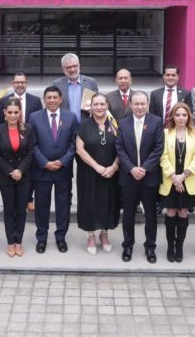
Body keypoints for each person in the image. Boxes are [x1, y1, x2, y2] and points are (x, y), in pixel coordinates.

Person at [116, 90, 164, 263]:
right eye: (136, 103)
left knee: (151, 215)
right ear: (130, 105)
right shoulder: (123, 123)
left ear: (148, 104)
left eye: (143, 103)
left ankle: (150, 247)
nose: (139, 107)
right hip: (129, 177)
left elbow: (159, 147)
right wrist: (131, 168)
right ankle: (128, 246)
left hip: (149, 177)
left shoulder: (156, 122)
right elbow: (119, 148)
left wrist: (143, 168)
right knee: (128, 214)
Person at [29, 85, 79, 254]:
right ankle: (42, 238)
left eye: (55, 97)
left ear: (60, 99)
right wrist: (44, 162)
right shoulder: (34, 117)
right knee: (41, 206)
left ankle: (61, 237)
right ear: (44, 99)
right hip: (42, 170)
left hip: (63, 170)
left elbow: (74, 143)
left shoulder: (71, 117)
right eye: (48, 97)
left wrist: (62, 161)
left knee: (63, 206)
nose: (52, 100)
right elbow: (32, 143)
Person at [75, 93, 120, 255]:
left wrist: (114, 166)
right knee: (90, 202)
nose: (99, 107)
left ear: (107, 106)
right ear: (91, 106)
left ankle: (104, 234)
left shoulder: (115, 124)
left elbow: (122, 148)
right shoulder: (84, 125)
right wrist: (97, 167)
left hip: (110, 173)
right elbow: (79, 149)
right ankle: (91, 235)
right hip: (89, 172)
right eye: (96, 104)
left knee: (108, 202)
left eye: (102, 104)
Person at [160, 102, 195, 263]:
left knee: (183, 213)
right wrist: (174, 177)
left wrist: (182, 177)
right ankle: (170, 246)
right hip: (170, 180)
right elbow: (162, 156)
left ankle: (179, 247)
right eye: (177, 115)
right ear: (173, 116)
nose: (181, 118)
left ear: (188, 116)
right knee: (171, 212)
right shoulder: (165, 133)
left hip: (188, 180)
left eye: (184, 115)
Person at [0, 98, 35, 257]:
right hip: (6, 177)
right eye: (9, 112)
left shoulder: (28, 129)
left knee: (21, 211)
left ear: (20, 113)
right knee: (9, 210)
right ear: (4, 113)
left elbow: (31, 152)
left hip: (24, 176)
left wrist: (20, 170)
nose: (13, 115)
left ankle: (19, 241)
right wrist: (11, 171)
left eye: (16, 112)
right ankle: (10, 241)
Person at [52, 53, 99, 123]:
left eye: (75, 66)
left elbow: (97, 103)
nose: (72, 70)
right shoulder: (57, 84)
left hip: (86, 124)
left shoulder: (91, 82)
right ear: (63, 69)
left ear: (79, 65)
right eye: (68, 67)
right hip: (65, 125)